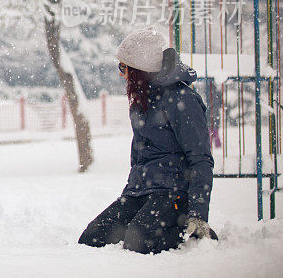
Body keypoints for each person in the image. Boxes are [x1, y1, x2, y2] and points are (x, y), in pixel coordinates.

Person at [78, 27, 217, 254]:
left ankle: (189, 233)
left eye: (124, 67)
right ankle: (143, 222)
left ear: (140, 69)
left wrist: (198, 214)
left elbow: (201, 159)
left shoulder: (183, 101)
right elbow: (139, 157)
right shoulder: (140, 102)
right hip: (140, 192)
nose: (121, 74)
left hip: (173, 193)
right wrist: (129, 197)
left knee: (139, 241)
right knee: (93, 237)